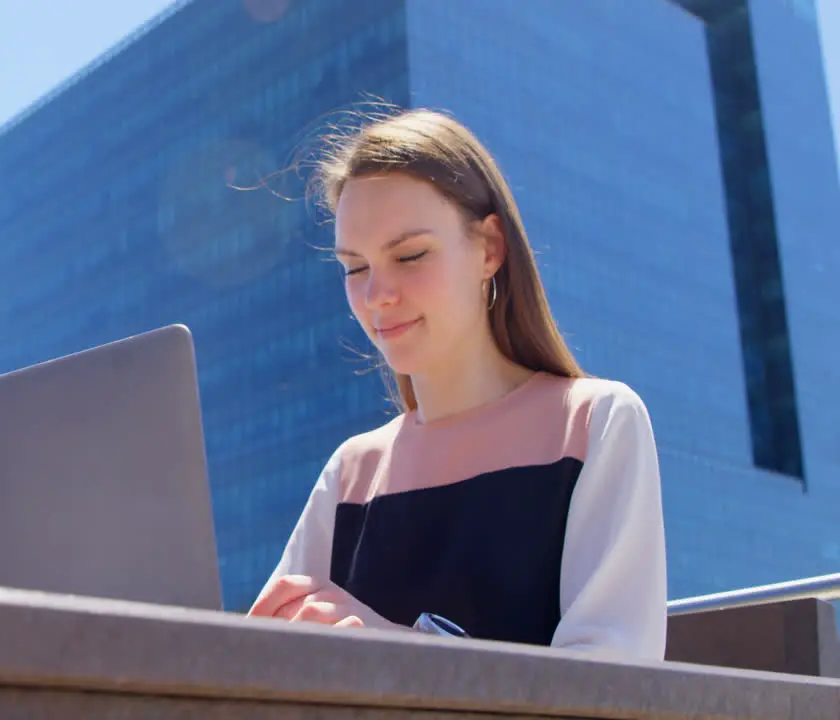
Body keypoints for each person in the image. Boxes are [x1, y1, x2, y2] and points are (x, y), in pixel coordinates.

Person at [246, 108, 668, 661]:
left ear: (489, 248)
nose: (376, 295)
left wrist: (399, 653)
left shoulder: (594, 424)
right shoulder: (351, 474)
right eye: (354, 267)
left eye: (410, 255)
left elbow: (614, 690)